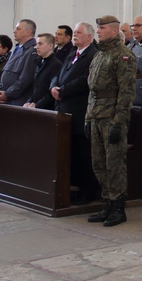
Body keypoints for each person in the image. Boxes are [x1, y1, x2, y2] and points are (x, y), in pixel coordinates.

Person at [85, 16, 136, 227]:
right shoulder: (99, 55)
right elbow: (93, 91)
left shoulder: (123, 56)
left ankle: (118, 207)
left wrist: (119, 121)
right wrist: (88, 117)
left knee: (114, 163)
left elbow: (126, 92)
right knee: (98, 162)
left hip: (112, 116)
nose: (98, 31)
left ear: (114, 31)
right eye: (97, 27)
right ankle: (107, 202)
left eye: (102, 28)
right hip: (96, 114)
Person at [50, 22, 99, 205]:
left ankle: (89, 190)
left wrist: (63, 91)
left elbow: (85, 80)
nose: (75, 35)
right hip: (64, 109)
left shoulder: (93, 55)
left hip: (79, 111)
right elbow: (59, 72)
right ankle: (75, 187)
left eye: (78, 32)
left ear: (89, 36)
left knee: (83, 154)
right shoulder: (72, 53)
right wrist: (53, 86)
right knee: (70, 153)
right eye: (75, 32)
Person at [0, 19, 38, 106]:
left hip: (19, 100)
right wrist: (0, 93)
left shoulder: (32, 50)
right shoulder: (17, 48)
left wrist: (8, 95)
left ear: (28, 32)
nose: (14, 31)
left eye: (18, 29)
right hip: (7, 99)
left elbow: (26, 78)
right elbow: (5, 72)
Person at [24, 33, 63, 110]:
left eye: (40, 44)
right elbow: (34, 86)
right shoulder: (38, 62)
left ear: (50, 46)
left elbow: (51, 91)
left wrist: (37, 105)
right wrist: (29, 101)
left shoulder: (56, 64)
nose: (36, 47)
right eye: (36, 44)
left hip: (46, 108)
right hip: (34, 106)